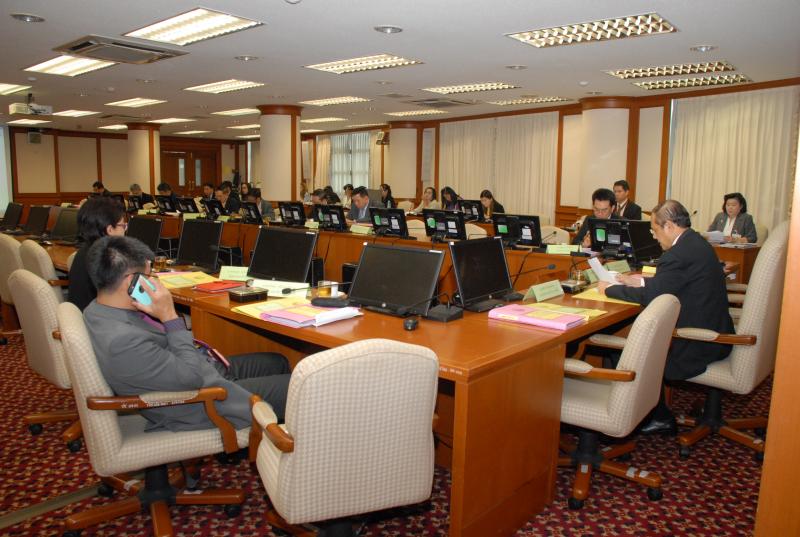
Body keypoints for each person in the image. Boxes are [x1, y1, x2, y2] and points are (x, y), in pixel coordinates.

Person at [83, 235, 291, 431]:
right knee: (300, 385)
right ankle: (279, 438)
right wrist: (169, 317)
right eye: (149, 276)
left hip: (198, 369)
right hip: (206, 400)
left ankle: (266, 436)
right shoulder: (123, 341)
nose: (154, 281)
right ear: (131, 283)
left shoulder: (96, 310)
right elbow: (192, 378)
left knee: (277, 361)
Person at [597, 200, 734, 434]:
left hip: (698, 342)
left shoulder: (677, 255)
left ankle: (657, 416)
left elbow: (653, 296)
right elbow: (673, 282)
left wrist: (609, 290)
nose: (654, 236)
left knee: (624, 346)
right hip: (717, 331)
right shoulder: (695, 242)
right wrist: (637, 281)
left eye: (655, 230)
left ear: (669, 226)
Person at [68, 197, 127, 311]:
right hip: (101, 318)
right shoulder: (108, 260)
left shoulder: (85, 250)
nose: (125, 230)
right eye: (123, 226)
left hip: (84, 315)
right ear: (110, 230)